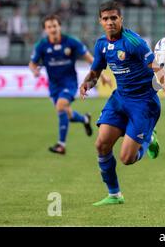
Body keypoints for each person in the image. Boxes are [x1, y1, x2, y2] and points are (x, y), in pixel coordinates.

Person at [79, 1, 165, 206]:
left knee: (127, 159)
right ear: (100, 21)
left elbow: (159, 70)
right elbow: (96, 71)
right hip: (119, 99)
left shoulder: (134, 43)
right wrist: (88, 82)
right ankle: (114, 195)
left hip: (144, 103)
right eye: (106, 18)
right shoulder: (101, 44)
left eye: (114, 18)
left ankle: (149, 138)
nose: (110, 22)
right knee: (101, 145)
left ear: (121, 19)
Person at [29, 14, 112, 155]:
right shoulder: (42, 45)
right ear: (45, 29)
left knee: (61, 105)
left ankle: (61, 145)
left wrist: (102, 74)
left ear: (59, 26)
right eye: (49, 27)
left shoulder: (71, 42)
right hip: (54, 85)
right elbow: (32, 63)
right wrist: (34, 71)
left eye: (55, 26)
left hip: (70, 83)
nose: (53, 29)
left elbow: (89, 58)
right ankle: (85, 119)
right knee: (65, 113)